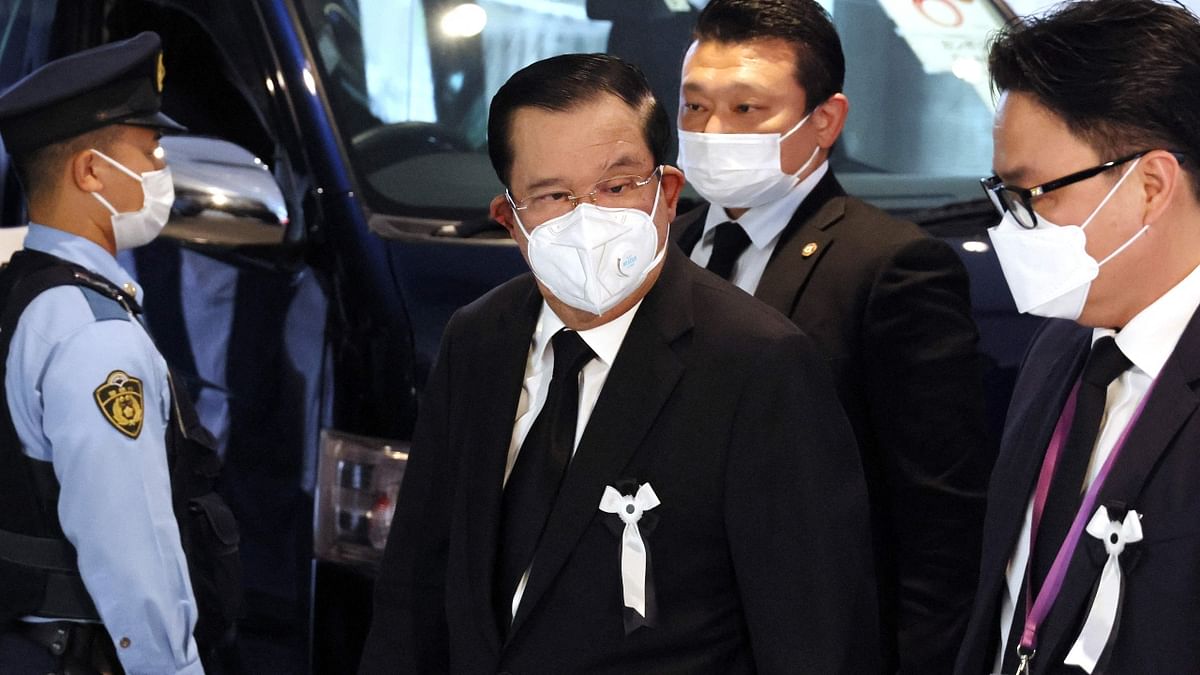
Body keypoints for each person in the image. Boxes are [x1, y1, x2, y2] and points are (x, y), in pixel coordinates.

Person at [359, 53, 878, 673]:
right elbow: (416, 591)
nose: (590, 219)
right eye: (553, 195)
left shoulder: (758, 364)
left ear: (667, 193)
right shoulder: (478, 337)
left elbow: (812, 636)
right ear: (510, 219)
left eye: (617, 185)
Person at [672, 0, 992, 671]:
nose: (713, 131)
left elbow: (940, 524)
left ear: (826, 120)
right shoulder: (660, 249)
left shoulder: (890, 266)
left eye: (746, 110)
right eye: (695, 107)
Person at [955, 1, 1200, 673]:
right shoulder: (1061, 346)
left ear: (1150, 185)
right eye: (1003, 195)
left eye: (1035, 194)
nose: (1013, 227)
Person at [0, 32, 205, 673]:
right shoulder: (96, 335)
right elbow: (131, 552)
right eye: (150, 152)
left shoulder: (19, 292)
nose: (160, 172)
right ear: (91, 171)